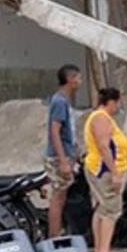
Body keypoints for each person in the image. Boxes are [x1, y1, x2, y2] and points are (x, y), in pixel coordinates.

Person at [83, 87, 127, 252]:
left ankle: (100, 250)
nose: (118, 107)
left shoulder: (104, 118)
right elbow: (104, 146)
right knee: (111, 209)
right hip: (104, 170)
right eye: (118, 103)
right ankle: (103, 251)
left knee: (103, 209)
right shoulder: (101, 118)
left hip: (105, 169)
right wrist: (115, 173)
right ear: (112, 102)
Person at [45, 64, 82, 237]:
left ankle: (57, 232)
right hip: (59, 157)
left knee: (62, 196)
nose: (80, 82)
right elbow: (55, 131)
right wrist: (63, 160)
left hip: (67, 153)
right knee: (58, 198)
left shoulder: (65, 101)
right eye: (78, 78)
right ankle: (53, 237)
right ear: (70, 79)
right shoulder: (59, 101)